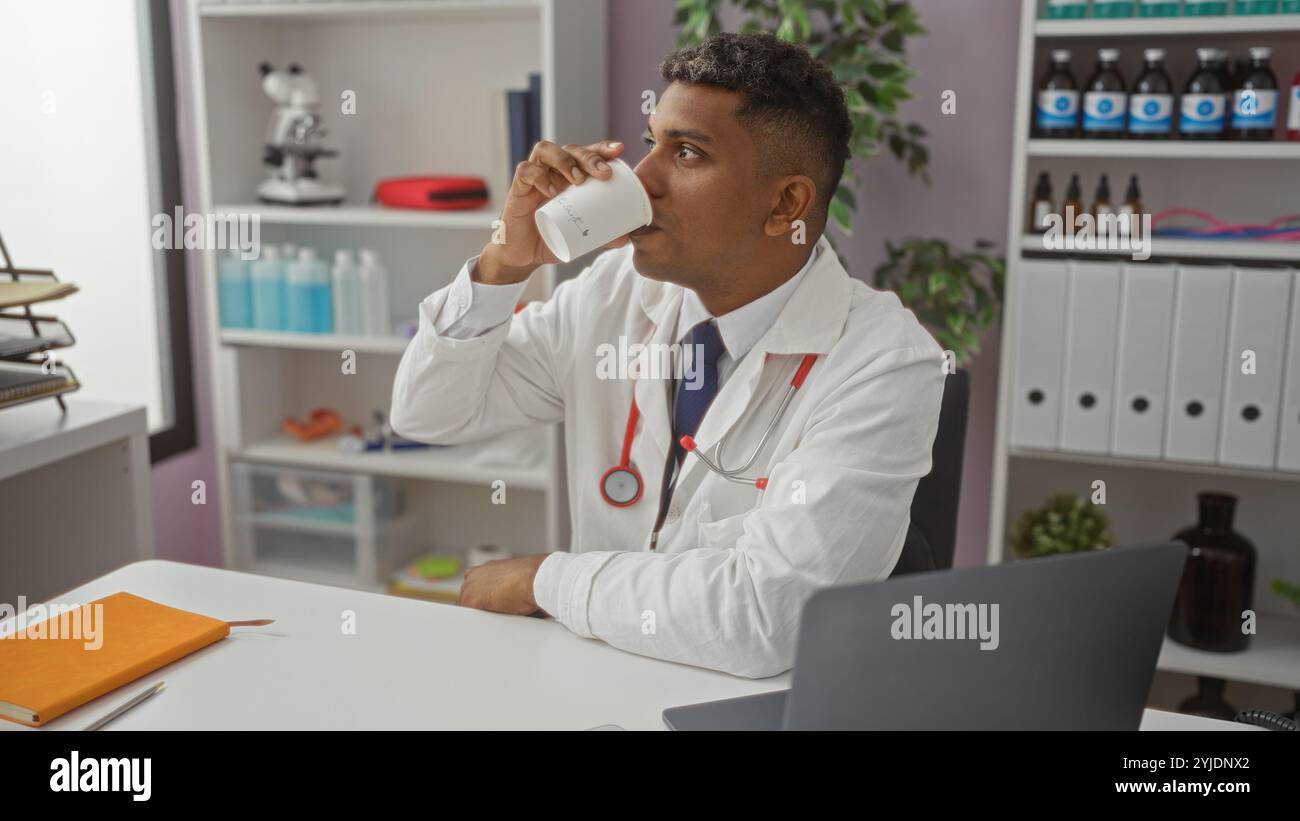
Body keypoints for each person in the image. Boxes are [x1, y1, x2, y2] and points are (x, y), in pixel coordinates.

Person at [391, 32, 944, 678]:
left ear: (785, 204)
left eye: (685, 153)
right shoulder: (612, 294)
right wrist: (503, 263)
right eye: (650, 141)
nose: (642, 179)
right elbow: (428, 416)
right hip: (598, 677)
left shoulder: (883, 362)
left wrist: (547, 580)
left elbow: (769, 617)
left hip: (751, 709)